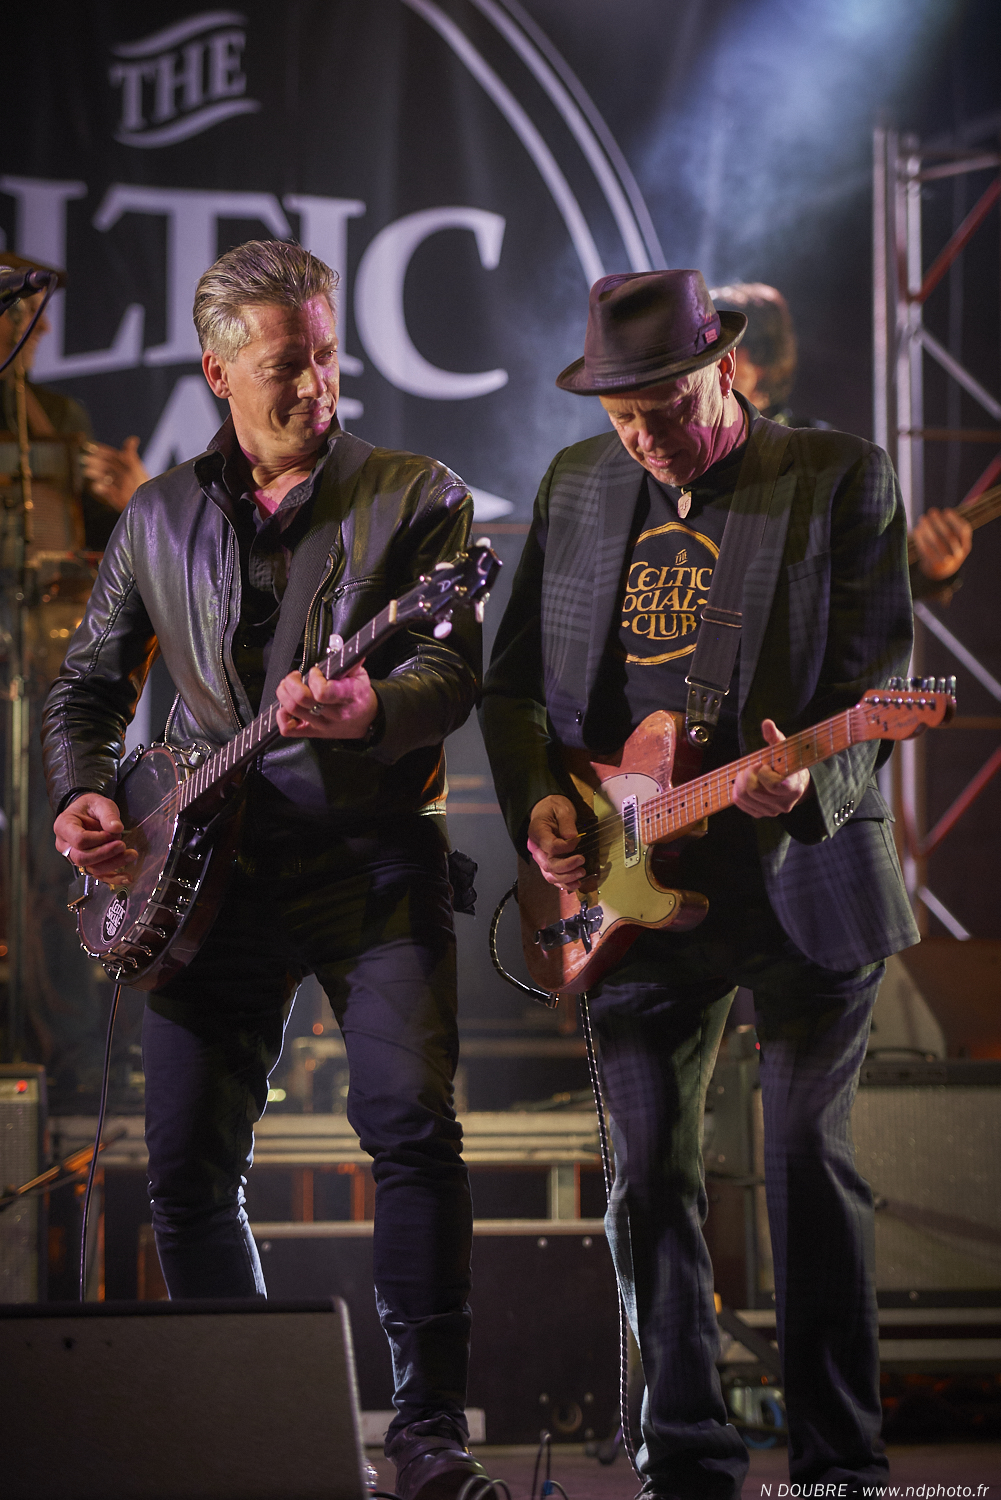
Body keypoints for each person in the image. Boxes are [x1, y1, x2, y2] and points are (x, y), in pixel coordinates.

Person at [41, 240, 488, 1500]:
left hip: (369, 861)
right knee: (185, 1175)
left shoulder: (415, 495)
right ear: (219, 372)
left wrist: (370, 708)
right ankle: (250, 1431)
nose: (317, 385)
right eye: (288, 365)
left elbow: (452, 671)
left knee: (410, 1131)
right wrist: (83, 794)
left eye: (328, 356)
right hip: (202, 882)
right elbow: (86, 687)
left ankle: (427, 1437)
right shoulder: (155, 517)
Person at [480, 270, 921, 1498]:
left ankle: (839, 1465)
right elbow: (511, 690)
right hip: (628, 890)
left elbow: (874, 685)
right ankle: (683, 1457)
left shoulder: (834, 476)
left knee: (803, 1162)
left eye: (665, 407)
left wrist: (810, 778)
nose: (644, 435)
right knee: (647, 1177)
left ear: (723, 366)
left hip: (800, 878)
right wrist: (541, 809)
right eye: (621, 413)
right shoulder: (576, 485)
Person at [712, 280, 972, 599]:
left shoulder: (820, 452)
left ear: (761, 361)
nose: (707, 366)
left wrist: (933, 570)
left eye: (723, 351)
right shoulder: (678, 446)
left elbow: (869, 574)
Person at [0, 254, 150, 546]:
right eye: (29, 310)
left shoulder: (57, 414)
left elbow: (90, 533)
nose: (44, 326)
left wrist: (135, 502)